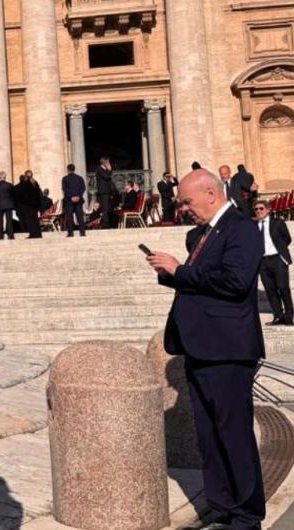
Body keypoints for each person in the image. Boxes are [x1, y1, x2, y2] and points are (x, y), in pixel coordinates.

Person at [147, 169, 265, 530]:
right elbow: (203, 282)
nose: (183, 208)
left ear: (211, 194)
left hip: (228, 349)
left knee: (234, 435)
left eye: (187, 201)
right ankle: (221, 508)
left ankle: (246, 516)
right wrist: (171, 274)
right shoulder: (202, 234)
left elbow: (235, 282)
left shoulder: (241, 229)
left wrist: (180, 271)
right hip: (200, 347)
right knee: (209, 436)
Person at [254, 200, 293, 326]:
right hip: (263, 262)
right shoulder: (254, 225)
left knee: (283, 288)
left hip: (278, 259)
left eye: (261, 208)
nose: (258, 211)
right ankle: (278, 316)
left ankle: (289, 316)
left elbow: (287, 238)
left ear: (268, 209)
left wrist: (279, 250)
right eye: (256, 209)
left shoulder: (278, 222)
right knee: (270, 290)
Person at [62, 164, 86, 238]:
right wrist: (78, 196)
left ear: (68, 170)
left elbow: (64, 189)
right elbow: (83, 188)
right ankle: (82, 233)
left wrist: (71, 197)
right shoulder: (80, 178)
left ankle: (70, 233)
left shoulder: (65, 178)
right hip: (78, 201)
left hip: (69, 201)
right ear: (74, 169)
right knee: (80, 217)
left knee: (70, 217)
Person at [0, 171, 15, 240]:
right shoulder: (9, 185)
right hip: (8, 204)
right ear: (5, 177)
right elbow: (13, 194)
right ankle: (10, 235)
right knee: (9, 220)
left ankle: (0, 235)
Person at [95, 157, 113, 229]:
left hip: (107, 192)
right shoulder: (99, 169)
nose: (109, 163)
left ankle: (105, 222)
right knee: (105, 208)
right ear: (103, 162)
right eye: (107, 162)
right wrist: (109, 169)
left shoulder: (104, 170)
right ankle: (105, 224)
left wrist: (109, 170)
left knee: (106, 207)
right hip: (103, 192)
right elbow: (106, 177)